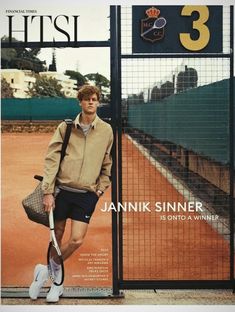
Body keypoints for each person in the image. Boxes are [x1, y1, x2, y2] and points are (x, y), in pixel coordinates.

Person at [29, 85, 113, 302]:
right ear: (80, 102)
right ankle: (57, 283)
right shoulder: (66, 128)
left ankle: (45, 271)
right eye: (87, 99)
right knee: (56, 237)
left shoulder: (106, 131)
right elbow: (51, 159)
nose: (91, 102)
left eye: (94, 99)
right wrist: (47, 192)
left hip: (86, 194)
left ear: (98, 102)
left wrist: (101, 188)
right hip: (61, 192)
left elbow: (107, 162)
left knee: (76, 240)